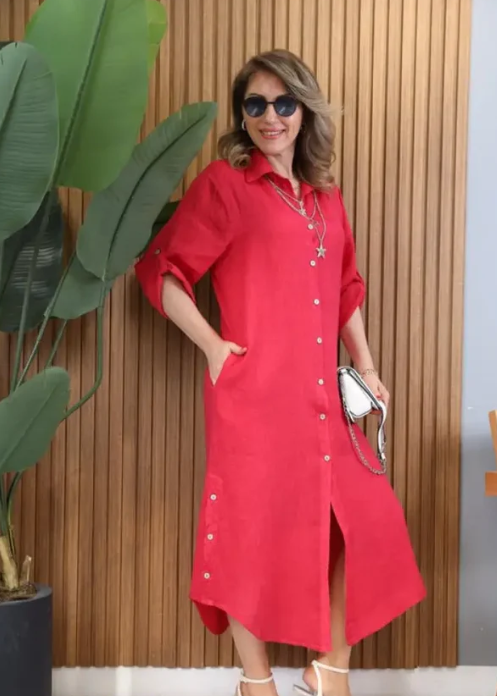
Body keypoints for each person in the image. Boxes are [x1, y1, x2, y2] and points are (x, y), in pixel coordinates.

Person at [135, 49, 426, 696]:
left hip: (322, 397)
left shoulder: (326, 197)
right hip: (253, 396)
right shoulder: (225, 186)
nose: (271, 117)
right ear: (242, 115)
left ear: (304, 110)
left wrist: (367, 366)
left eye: (283, 103)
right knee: (248, 537)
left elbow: (346, 287)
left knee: (366, 520)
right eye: (256, 104)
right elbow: (163, 271)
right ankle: (256, 680)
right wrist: (213, 347)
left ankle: (329, 668)